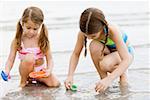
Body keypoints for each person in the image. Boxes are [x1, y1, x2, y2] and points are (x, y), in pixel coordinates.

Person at [64, 7, 134, 92]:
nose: (89, 38)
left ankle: (123, 74)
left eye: (93, 36)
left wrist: (110, 79)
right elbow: (76, 54)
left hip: (126, 53)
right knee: (93, 46)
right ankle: (103, 79)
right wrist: (70, 75)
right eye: (86, 36)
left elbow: (127, 59)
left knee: (105, 65)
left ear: (102, 28)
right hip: (109, 51)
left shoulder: (112, 30)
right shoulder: (83, 32)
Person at [3, 6, 60, 87]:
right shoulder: (18, 40)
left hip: (39, 73)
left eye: (35, 29)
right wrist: (7, 71)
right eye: (28, 28)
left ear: (40, 26)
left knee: (55, 84)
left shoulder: (42, 39)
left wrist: (49, 70)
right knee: (30, 57)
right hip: (26, 72)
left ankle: (37, 81)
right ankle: (23, 82)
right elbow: (10, 59)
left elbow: (50, 59)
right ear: (22, 24)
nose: (31, 32)